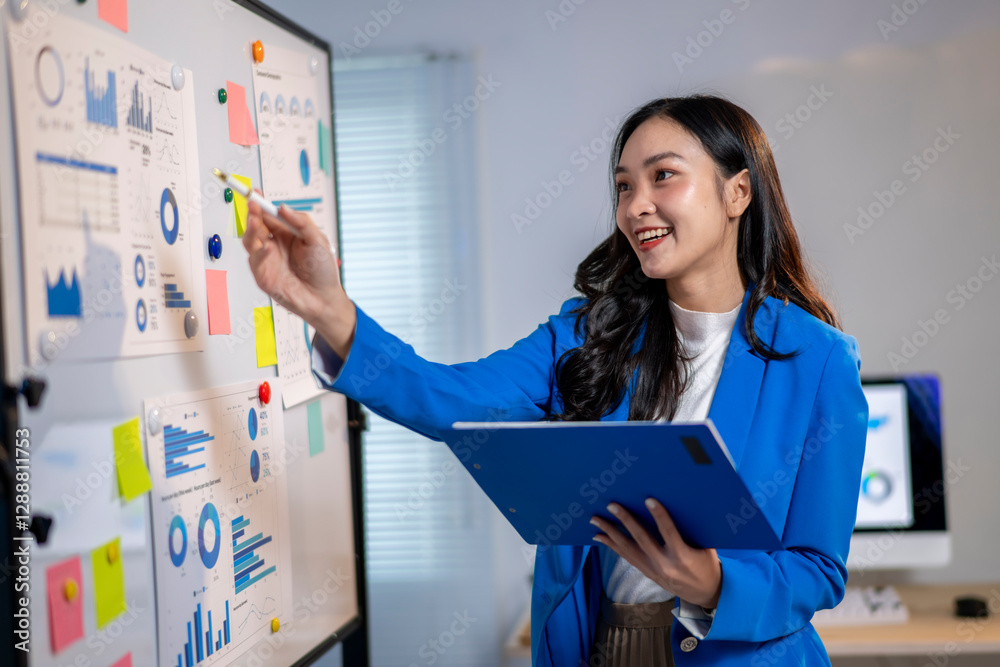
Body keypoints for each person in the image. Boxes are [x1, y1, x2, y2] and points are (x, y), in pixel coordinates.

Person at [242, 94, 869, 667]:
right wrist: (329, 309)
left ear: (737, 193)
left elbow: (817, 568)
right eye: (623, 186)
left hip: (740, 652)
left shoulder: (817, 363)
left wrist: (711, 583)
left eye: (663, 176)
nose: (635, 205)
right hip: (602, 645)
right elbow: (451, 402)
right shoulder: (585, 335)